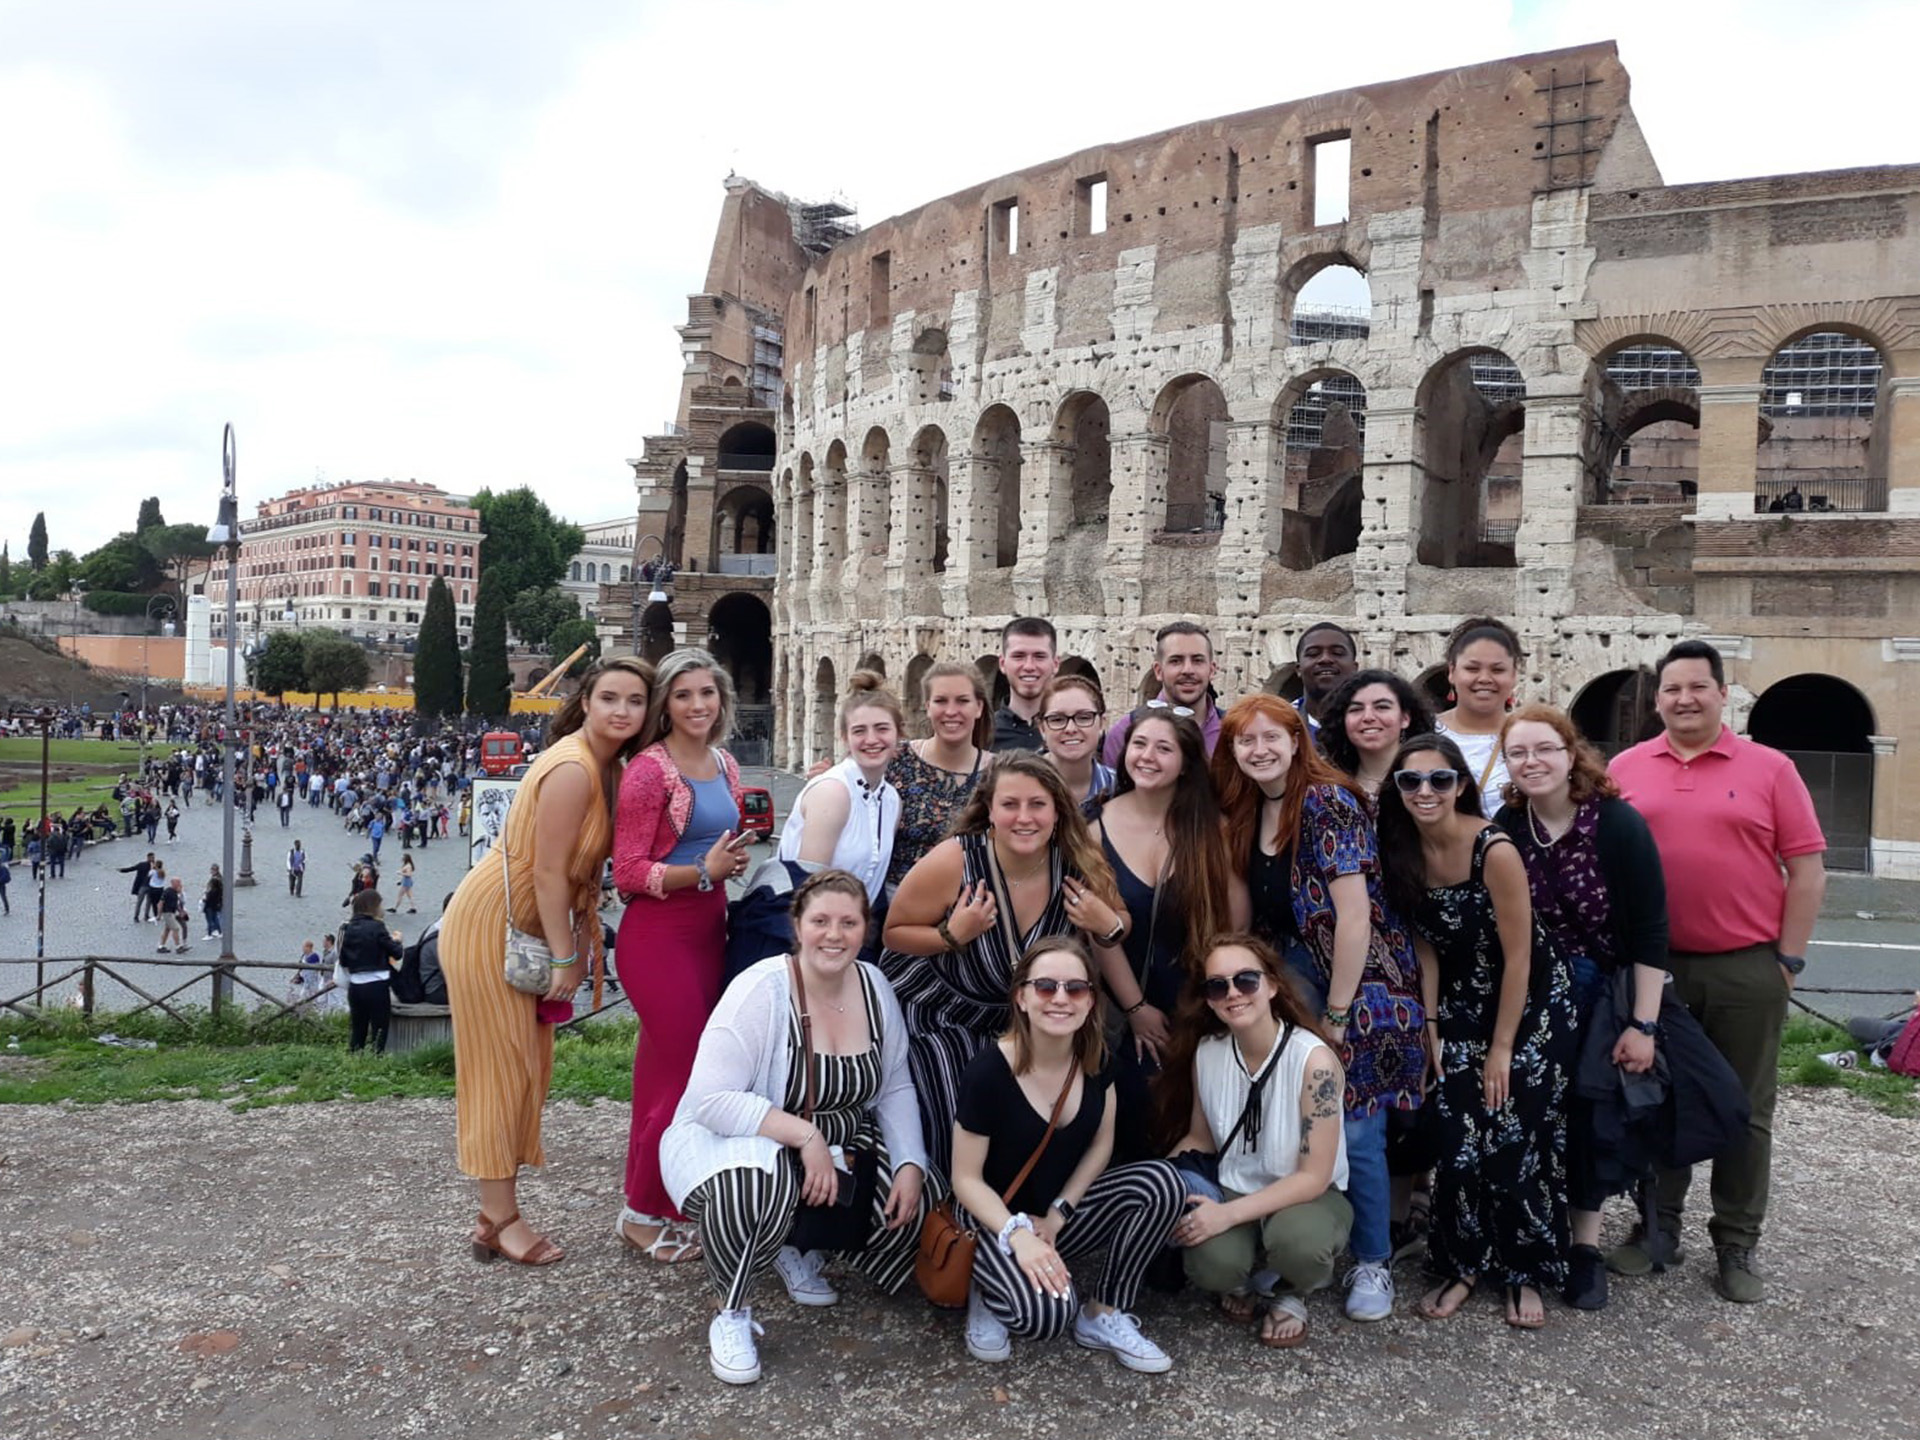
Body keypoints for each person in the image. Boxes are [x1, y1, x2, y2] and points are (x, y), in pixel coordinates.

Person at [1607, 640, 1826, 1303]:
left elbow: (1808, 868)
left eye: (1698, 686)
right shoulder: (1626, 767)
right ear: (1658, 700)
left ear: (1722, 693)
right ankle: (1657, 1227)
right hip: (1656, 968)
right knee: (1656, 1099)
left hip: (1745, 964)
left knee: (1747, 1108)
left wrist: (1787, 959)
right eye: (1672, 689)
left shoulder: (1770, 768)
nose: (1685, 699)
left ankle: (1736, 1240)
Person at [662, 871, 931, 1386]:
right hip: (749, 1140)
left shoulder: (875, 986)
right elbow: (709, 1101)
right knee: (749, 1192)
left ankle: (795, 1243)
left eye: (848, 922)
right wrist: (803, 1137)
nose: (834, 935)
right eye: (821, 921)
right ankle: (731, 1311)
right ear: (798, 925)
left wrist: (910, 1164)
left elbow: (895, 1084)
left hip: (842, 1144)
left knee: (913, 1207)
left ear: (865, 929)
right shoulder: (759, 988)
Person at [1215, 693, 1424, 1323]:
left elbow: (1356, 918)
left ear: (1296, 740)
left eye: (1271, 737)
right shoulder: (1254, 806)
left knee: (1353, 1127)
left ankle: (1373, 1259)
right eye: (1245, 741)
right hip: (1293, 978)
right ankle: (1294, 1248)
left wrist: (1335, 1014)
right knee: (1292, 1118)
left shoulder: (1325, 801)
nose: (1259, 750)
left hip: (1359, 987)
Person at [442, 655, 652, 1267]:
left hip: (531, 924)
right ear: (585, 702)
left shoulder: (607, 766)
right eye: (609, 697)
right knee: (499, 1071)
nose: (622, 710)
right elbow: (551, 871)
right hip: (496, 925)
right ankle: (500, 1219)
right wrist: (568, 954)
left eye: (635, 701)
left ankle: (492, 1214)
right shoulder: (573, 768)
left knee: (526, 1069)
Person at [1377, 734, 1576, 1330]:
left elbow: (1521, 957)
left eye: (1439, 780)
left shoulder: (1495, 848)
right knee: (1458, 1136)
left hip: (1531, 1001)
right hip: (1461, 997)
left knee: (1516, 1135)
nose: (1424, 792)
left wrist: (1503, 1049)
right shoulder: (1403, 848)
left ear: (1460, 784)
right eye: (1410, 781)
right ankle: (1461, 1262)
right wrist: (1431, 1025)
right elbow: (1427, 945)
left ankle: (1524, 1270)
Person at [1493, 702, 1669, 1310]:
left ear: (1572, 755)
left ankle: (1585, 1247)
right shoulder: (1509, 827)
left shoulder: (1617, 825)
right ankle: (1527, 1235)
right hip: (1532, 994)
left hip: (1601, 997)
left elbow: (1649, 931)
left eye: (1544, 749)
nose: (1532, 762)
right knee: (1533, 1116)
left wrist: (1643, 1024)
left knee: (1591, 1119)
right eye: (1518, 753)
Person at [880, 751, 1125, 1180]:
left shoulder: (1076, 862)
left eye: (1037, 805)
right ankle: (951, 1220)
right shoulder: (956, 860)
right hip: (945, 1012)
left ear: (1057, 811)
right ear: (990, 809)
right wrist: (952, 934)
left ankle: (1017, 1213)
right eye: (1010, 805)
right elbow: (893, 932)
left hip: (1024, 1020)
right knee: (955, 1111)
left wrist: (1108, 924)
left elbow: (1119, 925)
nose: (1024, 817)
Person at [950, 935, 1185, 1372]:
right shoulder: (988, 1072)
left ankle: (1103, 1313)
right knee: (1043, 1318)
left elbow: (1102, 1145)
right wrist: (1017, 1235)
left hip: (1053, 1221)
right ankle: (987, 1286)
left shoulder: (1097, 1059)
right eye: (1045, 987)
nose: (1060, 999)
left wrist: (1058, 1215)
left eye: (1075, 989)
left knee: (1164, 1183)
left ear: (1091, 1001)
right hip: (993, 1220)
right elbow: (964, 1179)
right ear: (1021, 997)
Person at [612, 648, 751, 1262]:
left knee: (659, 1078)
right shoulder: (649, 770)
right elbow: (628, 871)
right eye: (684, 695)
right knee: (686, 1074)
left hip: (707, 928)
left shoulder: (724, 762)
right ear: (665, 704)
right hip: (658, 936)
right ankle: (641, 1212)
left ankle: (659, 1198)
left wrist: (724, 865)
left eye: (707, 693)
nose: (698, 705)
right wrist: (704, 869)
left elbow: (718, 846)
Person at [1163, 934, 1352, 1348]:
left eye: (1245, 980)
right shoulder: (1208, 1052)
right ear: (1209, 1000)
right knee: (1210, 1264)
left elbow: (1314, 1177)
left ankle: (1292, 1290)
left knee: (1300, 1244)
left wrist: (1226, 1217)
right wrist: (1160, 1184)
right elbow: (1201, 1137)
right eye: (1218, 985)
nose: (1233, 993)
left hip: (1307, 1196)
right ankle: (1245, 1279)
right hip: (1236, 1186)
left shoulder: (1314, 1060)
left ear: (1271, 985)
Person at [1088, 706, 1231, 1158]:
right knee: (1128, 1119)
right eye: (1139, 744)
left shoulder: (1212, 829)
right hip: (1123, 1003)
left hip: (1198, 1001)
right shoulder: (1096, 829)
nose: (1147, 756)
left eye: (1164, 748)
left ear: (1186, 762)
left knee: (1191, 1120)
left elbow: (1236, 924)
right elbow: (1098, 929)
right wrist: (1135, 1009)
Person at [776, 673, 902, 905]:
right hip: (809, 931)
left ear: (899, 735)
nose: (872, 739)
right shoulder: (832, 793)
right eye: (859, 731)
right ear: (845, 738)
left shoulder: (891, 800)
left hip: (855, 932)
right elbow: (809, 889)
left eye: (882, 729)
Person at [884, 660, 992, 893]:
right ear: (928, 706)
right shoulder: (896, 759)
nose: (951, 711)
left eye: (962, 701)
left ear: (979, 707)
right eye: (941, 701)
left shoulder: (998, 772)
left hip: (971, 905)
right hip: (899, 902)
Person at [1432, 617, 1523, 818]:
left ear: (1514, 674)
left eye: (1498, 670)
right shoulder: (1423, 731)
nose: (1484, 678)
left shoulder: (1532, 737)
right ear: (1452, 672)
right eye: (1472, 669)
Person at [1101, 621, 1223, 763]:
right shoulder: (1123, 732)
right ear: (1158, 671)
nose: (1188, 670)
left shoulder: (1233, 732)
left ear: (1212, 670)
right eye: (1176, 661)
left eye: (1197, 660)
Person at [1320, 669, 1436, 801]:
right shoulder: (1324, 784)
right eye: (1356, 709)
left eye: (1382, 707)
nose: (1368, 717)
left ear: (1405, 718)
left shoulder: (1435, 780)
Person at [1035, 674, 1115, 815]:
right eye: (1057, 719)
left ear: (1102, 723)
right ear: (1042, 728)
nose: (1070, 729)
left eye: (1084, 718)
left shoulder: (1119, 789)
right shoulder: (1016, 784)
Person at [339, 889, 404, 1053]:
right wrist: (397, 941)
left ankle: (354, 1064)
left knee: (358, 1031)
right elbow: (396, 953)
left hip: (355, 986)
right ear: (373, 906)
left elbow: (343, 960)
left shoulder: (349, 928)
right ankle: (375, 1063)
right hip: (377, 985)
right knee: (379, 1031)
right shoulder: (377, 927)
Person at [991, 617, 1061, 753]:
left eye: (1039, 656)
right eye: (1018, 656)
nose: (1029, 666)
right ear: (1002, 664)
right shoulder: (981, 736)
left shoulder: (1074, 733)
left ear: (1056, 664)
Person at [1294, 622, 1361, 731]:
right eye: (1313, 653)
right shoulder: (1277, 722)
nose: (1325, 659)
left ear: (1354, 668)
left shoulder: (1371, 723)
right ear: (1298, 669)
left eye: (1337, 653)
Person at [156, 877, 189, 954]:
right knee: (175, 928)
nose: (180, 885)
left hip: (171, 913)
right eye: (178, 883)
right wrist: (159, 915)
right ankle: (178, 947)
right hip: (167, 913)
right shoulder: (168, 892)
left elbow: (176, 904)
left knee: (167, 930)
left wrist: (181, 911)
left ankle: (161, 946)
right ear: (173, 883)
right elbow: (160, 903)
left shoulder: (175, 893)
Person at [202, 864, 224, 941]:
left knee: (212, 918)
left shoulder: (215, 881)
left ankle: (211, 932)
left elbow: (210, 893)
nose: (211, 871)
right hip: (217, 901)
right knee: (215, 917)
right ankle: (218, 931)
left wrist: (205, 897)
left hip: (213, 903)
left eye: (212, 870)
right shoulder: (218, 878)